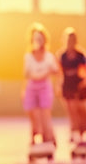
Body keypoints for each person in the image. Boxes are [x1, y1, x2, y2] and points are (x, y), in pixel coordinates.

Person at [57, 27, 86, 155]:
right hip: (67, 86)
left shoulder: (81, 54)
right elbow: (59, 72)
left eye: (72, 40)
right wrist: (58, 86)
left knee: (83, 110)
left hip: (79, 85)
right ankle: (76, 136)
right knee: (72, 111)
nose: (70, 42)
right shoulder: (61, 55)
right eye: (68, 40)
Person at [23, 23, 59, 154]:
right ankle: (34, 139)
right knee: (34, 115)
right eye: (35, 38)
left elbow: (56, 71)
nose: (37, 40)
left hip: (45, 88)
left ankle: (48, 139)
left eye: (40, 38)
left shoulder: (49, 56)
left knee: (45, 115)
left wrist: (51, 76)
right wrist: (23, 90)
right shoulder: (28, 56)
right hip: (32, 87)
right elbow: (26, 74)